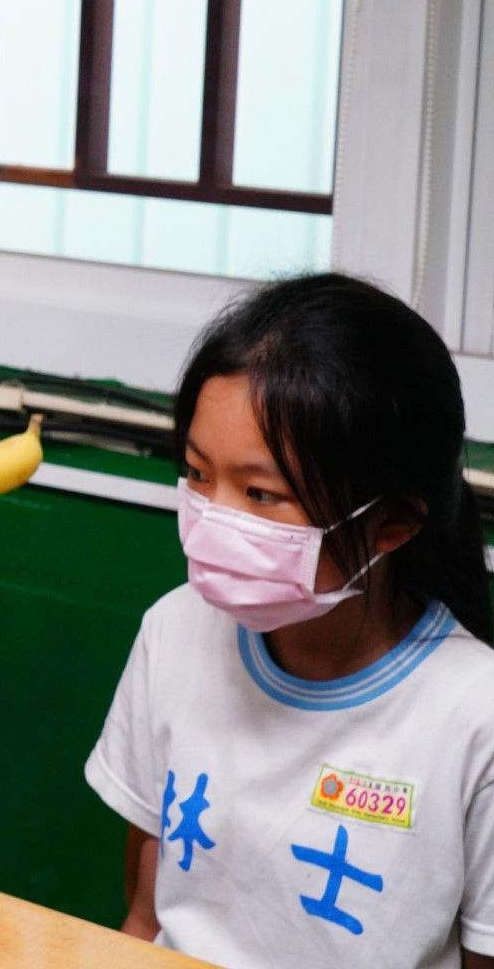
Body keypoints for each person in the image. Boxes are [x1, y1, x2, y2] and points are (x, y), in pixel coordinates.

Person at [85, 274, 494, 969]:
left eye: (262, 494)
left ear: (391, 523)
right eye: (198, 474)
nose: (214, 518)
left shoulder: (474, 717)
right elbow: (146, 921)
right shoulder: (173, 633)